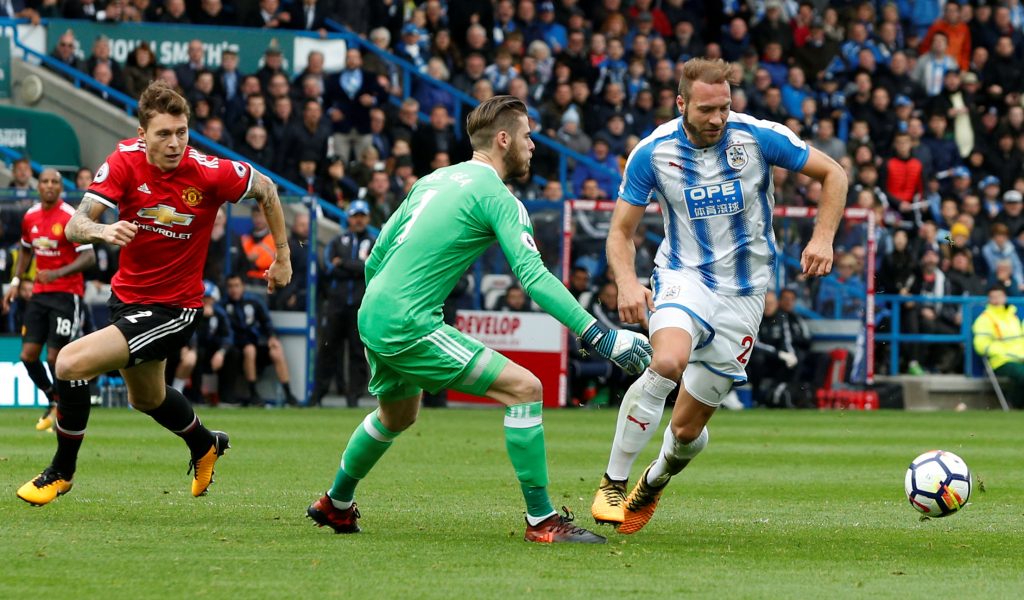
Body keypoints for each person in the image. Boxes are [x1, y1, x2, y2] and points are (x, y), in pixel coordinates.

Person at [306, 96, 652, 544]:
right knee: (525, 389)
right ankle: (543, 521)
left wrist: (385, 308)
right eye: (527, 136)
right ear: (504, 139)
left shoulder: (433, 180)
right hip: (407, 321)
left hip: (374, 310)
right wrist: (599, 336)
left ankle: (335, 504)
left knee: (396, 414)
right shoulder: (498, 197)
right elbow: (533, 276)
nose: (533, 145)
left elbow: (376, 257)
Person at [591, 58, 847, 534]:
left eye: (724, 107)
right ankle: (612, 481)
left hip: (745, 296)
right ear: (681, 103)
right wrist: (626, 281)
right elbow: (621, 231)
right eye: (706, 109)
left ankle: (654, 480)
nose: (717, 118)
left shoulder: (758, 137)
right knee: (667, 362)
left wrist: (823, 237)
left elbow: (834, 174)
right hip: (683, 276)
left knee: (686, 432)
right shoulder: (652, 153)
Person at [15, 81, 292, 507]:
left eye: (182, 132)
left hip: (174, 308)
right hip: (128, 300)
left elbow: (267, 189)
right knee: (147, 398)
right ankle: (205, 443)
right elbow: (75, 225)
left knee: (69, 362)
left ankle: (61, 473)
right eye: (164, 134)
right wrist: (102, 230)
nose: (175, 143)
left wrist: (283, 256)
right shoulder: (123, 161)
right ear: (142, 134)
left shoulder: (210, 171)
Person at [2, 169, 96, 431]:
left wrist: (57, 273)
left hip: (66, 294)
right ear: (39, 186)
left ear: (60, 187)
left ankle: (65, 410)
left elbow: (89, 257)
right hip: (39, 295)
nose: (50, 185)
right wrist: (16, 281)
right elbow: (25, 249)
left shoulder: (70, 217)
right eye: (45, 181)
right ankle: (54, 398)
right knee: (28, 355)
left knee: (57, 358)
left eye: (55, 181)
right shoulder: (30, 216)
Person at [313, 200, 376, 407]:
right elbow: (329, 266)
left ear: (368, 218)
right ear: (348, 218)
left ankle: (354, 397)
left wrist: (345, 264)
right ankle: (317, 395)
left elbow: (372, 268)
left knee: (358, 352)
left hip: (360, 306)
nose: (359, 220)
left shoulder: (374, 242)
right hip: (337, 304)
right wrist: (356, 268)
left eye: (362, 216)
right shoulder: (338, 240)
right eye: (355, 216)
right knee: (328, 349)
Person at [222, 273, 299, 407]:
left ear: (243, 286)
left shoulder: (254, 301)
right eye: (230, 286)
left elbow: (267, 322)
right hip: (237, 350)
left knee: (276, 350)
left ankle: (289, 394)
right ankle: (254, 394)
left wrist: (272, 337)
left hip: (257, 344)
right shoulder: (224, 305)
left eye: (237, 286)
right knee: (249, 349)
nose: (234, 290)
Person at [973, 286, 1024, 407]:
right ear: (989, 299)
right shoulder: (985, 319)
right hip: (1001, 360)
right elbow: (981, 345)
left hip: (1020, 357)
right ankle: (1016, 404)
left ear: (1005, 297)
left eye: (999, 296)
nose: (996, 300)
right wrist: (1004, 353)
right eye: (993, 297)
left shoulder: (1013, 316)